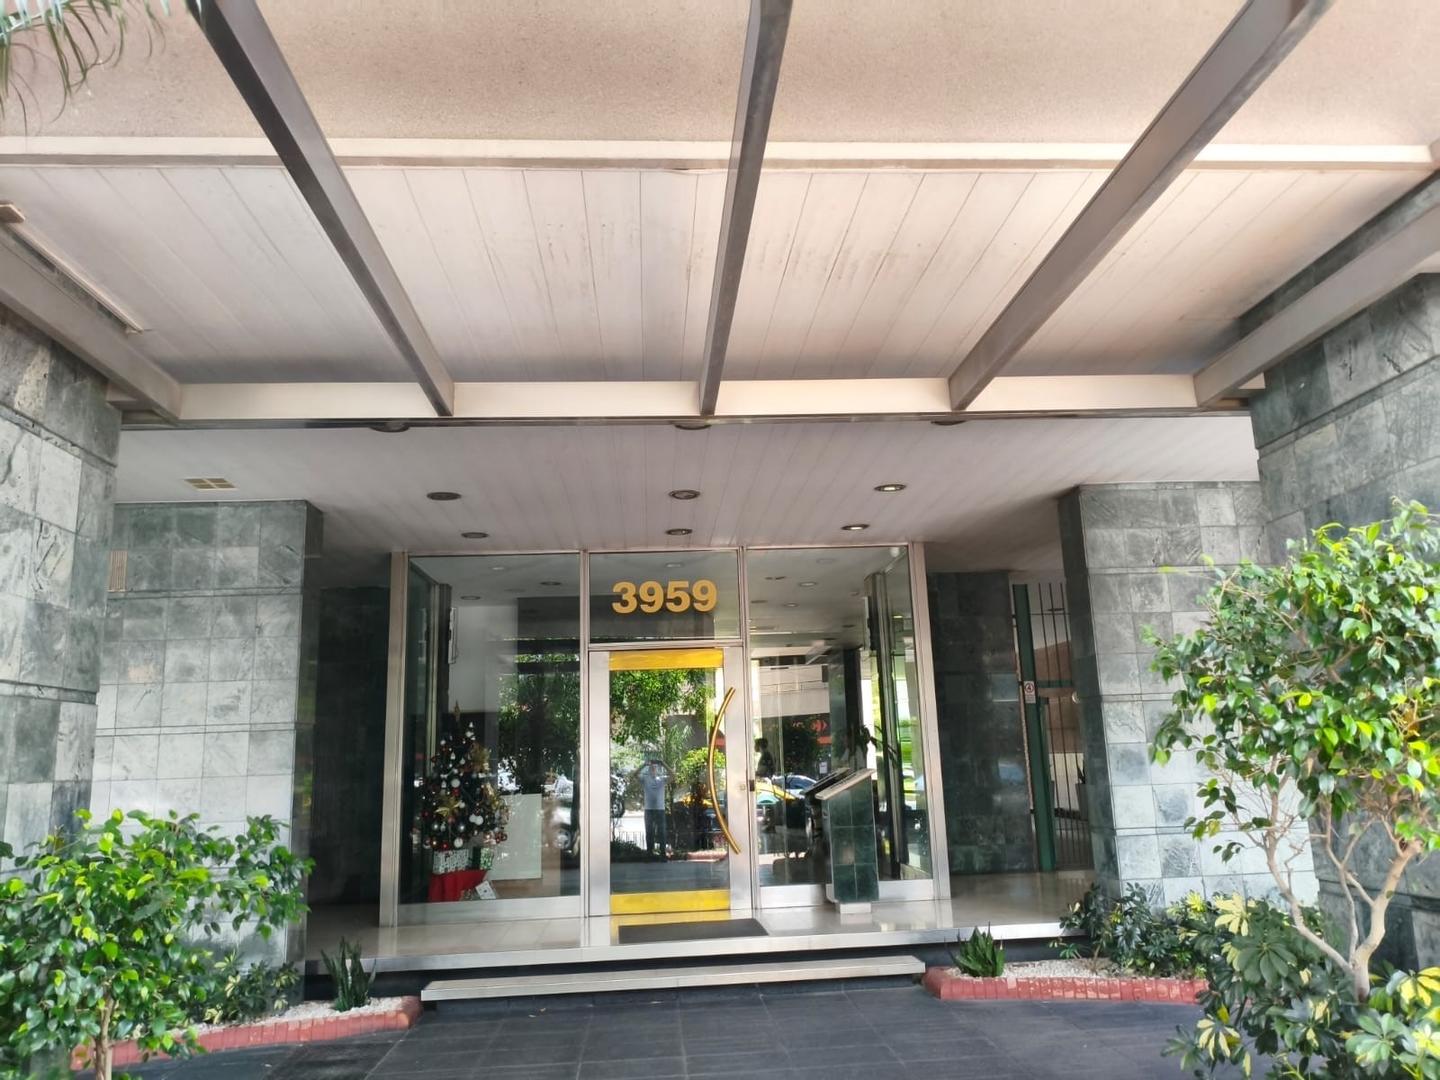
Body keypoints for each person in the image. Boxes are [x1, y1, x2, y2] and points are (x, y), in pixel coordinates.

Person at [633, 756, 670, 858]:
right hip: (649, 809)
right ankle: (650, 853)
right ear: (649, 769)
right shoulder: (645, 779)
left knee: (661, 832)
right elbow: (635, 774)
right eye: (651, 768)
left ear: (657, 770)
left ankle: (662, 853)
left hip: (660, 809)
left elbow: (673, 775)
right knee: (649, 831)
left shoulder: (661, 779)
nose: (653, 769)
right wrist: (644, 764)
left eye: (655, 768)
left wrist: (663, 764)